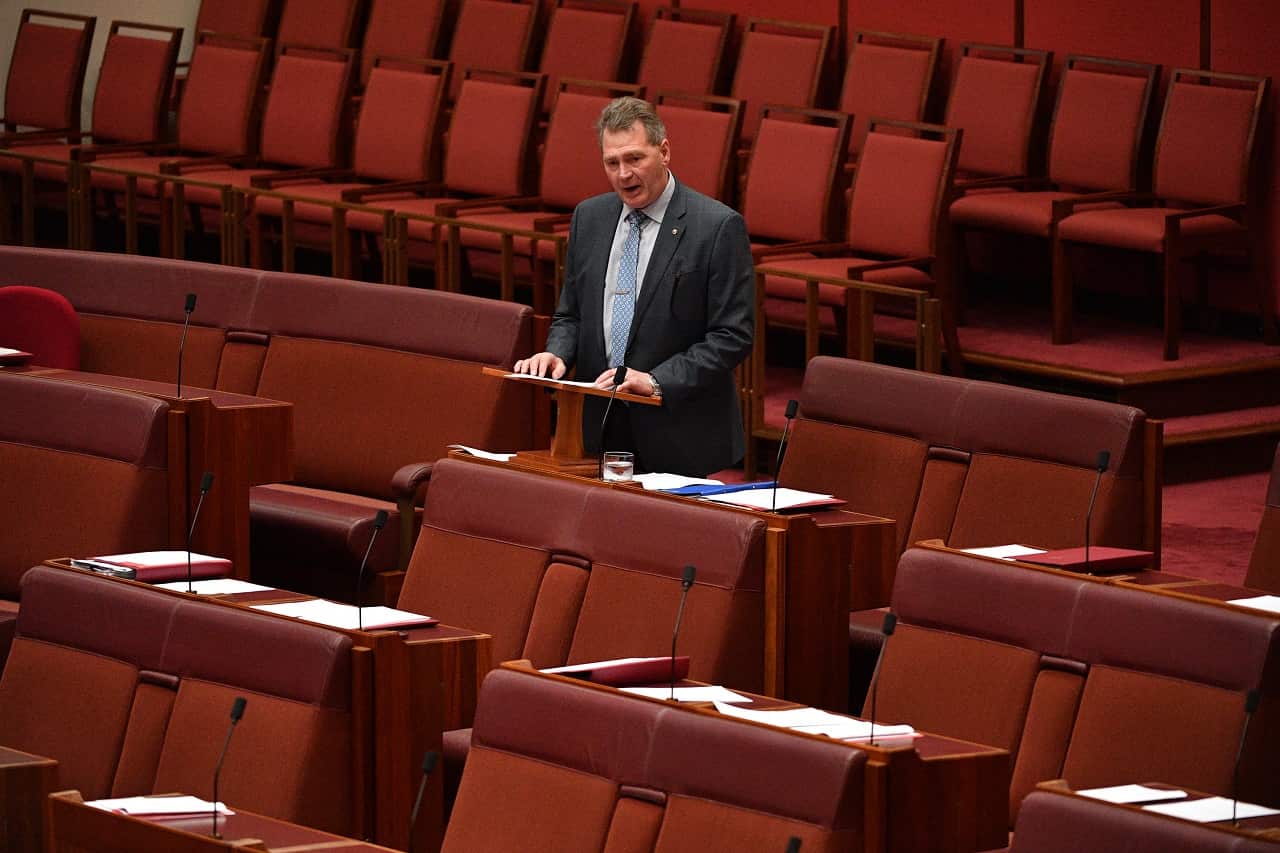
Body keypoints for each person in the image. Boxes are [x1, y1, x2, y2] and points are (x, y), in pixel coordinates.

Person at [514, 96, 753, 476]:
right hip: (597, 430)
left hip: (677, 432)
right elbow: (572, 312)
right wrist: (557, 354)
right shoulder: (589, 218)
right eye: (612, 163)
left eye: (634, 159)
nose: (624, 174)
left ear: (664, 151)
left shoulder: (717, 227)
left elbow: (731, 335)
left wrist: (657, 381)